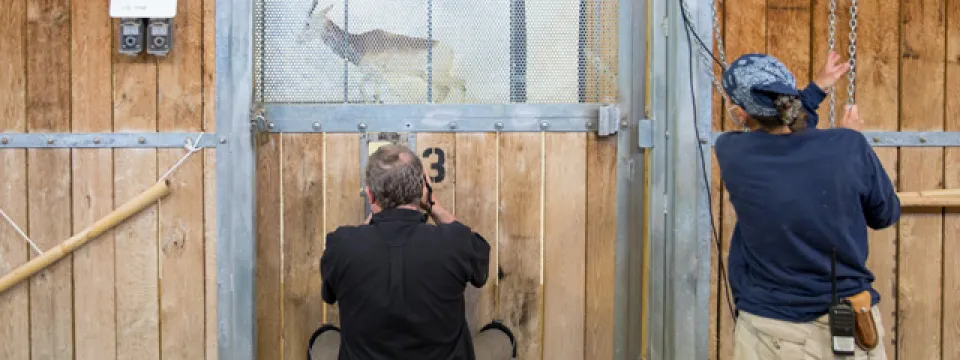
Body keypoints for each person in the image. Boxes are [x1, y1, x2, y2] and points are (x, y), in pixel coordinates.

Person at [715, 52, 901, 360]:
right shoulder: (847, 147)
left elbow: (794, 132)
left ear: (740, 113)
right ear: (789, 96)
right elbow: (885, 215)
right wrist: (850, 145)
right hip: (848, 326)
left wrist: (817, 89)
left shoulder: (733, 152)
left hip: (769, 330)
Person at [311, 144, 515, 360]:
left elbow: (329, 295)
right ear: (421, 189)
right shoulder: (455, 242)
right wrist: (432, 205)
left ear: (370, 195)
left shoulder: (341, 246)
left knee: (324, 338)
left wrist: (376, 213)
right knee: (501, 336)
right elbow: (480, 266)